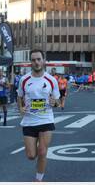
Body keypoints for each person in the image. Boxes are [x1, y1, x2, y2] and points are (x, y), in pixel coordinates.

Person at [17, 49, 60, 182]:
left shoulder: (51, 80)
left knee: (42, 152)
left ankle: (38, 180)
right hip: (29, 120)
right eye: (33, 60)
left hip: (46, 119)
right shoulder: (24, 80)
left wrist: (55, 103)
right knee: (31, 156)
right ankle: (36, 145)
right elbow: (19, 97)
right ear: (31, 62)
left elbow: (57, 100)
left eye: (38, 59)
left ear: (43, 61)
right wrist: (21, 108)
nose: (36, 62)